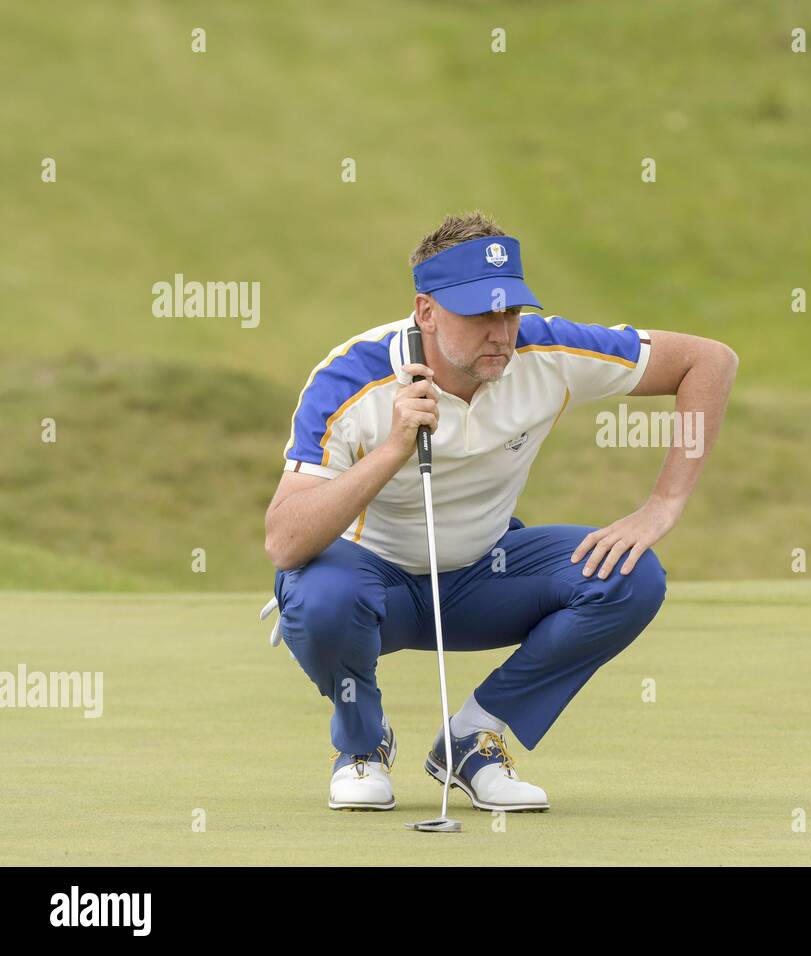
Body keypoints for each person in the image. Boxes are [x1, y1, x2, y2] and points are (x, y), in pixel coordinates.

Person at [262, 210, 739, 812]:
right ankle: (361, 747)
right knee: (317, 594)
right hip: (371, 585)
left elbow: (710, 362)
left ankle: (473, 738)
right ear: (426, 311)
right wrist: (392, 449)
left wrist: (663, 504)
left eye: (510, 311)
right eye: (480, 314)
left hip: (483, 576)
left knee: (630, 576)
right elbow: (284, 541)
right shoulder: (349, 376)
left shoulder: (546, 350)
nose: (502, 333)